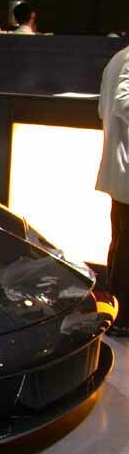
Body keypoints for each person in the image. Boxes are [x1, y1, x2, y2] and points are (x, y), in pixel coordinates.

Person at [97, 44, 129, 338]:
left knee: (121, 242)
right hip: (126, 167)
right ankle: (122, 317)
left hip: (121, 169)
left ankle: (118, 311)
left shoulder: (117, 58)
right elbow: (122, 103)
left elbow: (102, 108)